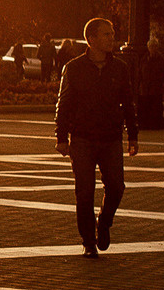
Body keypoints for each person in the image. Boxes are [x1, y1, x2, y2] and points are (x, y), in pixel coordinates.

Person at [56, 14, 141, 255]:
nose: (111, 39)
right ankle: (88, 241)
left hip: (111, 137)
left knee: (116, 187)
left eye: (112, 34)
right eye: (107, 34)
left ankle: (104, 222)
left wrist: (132, 135)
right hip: (82, 137)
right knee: (84, 191)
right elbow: (64, 104)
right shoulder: (73, 68)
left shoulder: (120, 68)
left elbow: (128, 103)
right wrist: (61, 137)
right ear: (91, 39)